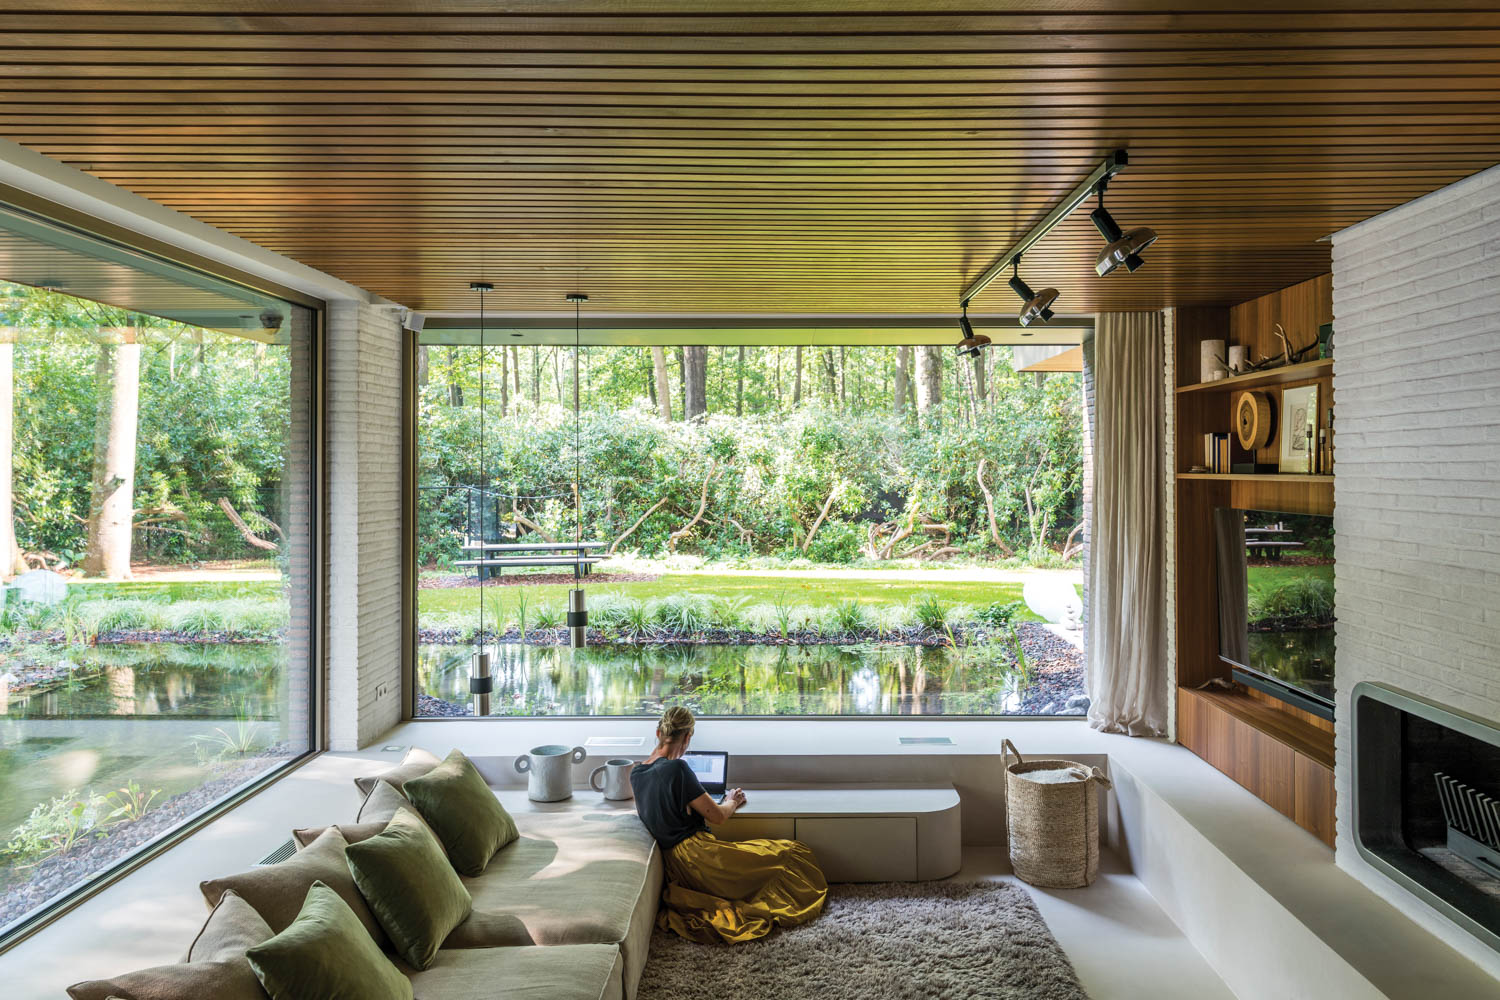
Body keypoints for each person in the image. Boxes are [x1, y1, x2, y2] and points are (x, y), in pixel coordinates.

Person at [630, 706, 827, 944]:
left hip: (675, 866)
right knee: (791, 853)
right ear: (688, 737)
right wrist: (732, 801)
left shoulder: (636, 773)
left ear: (658, 732)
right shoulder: (678, 769)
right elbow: (718, 817)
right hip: (699, 857)